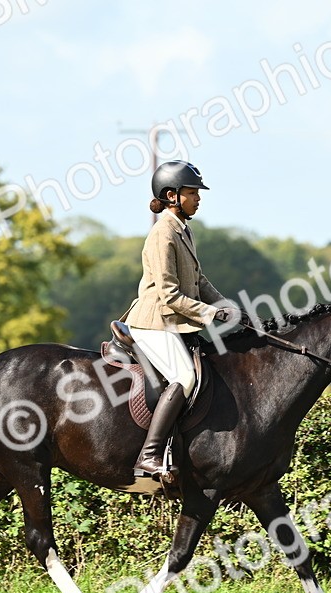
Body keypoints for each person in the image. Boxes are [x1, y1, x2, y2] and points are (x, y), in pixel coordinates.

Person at [120, 160, 240, 479]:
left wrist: (228, 308)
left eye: (198, 193)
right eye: (192, 193)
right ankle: (149, 454)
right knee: (184, 376)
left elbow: (198, 280)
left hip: (173, 322)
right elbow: (169, 294)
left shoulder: (183, 231)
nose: (198, 198)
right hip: (152, 322)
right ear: (172, 196)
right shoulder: (162, 234)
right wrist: (211, 313)